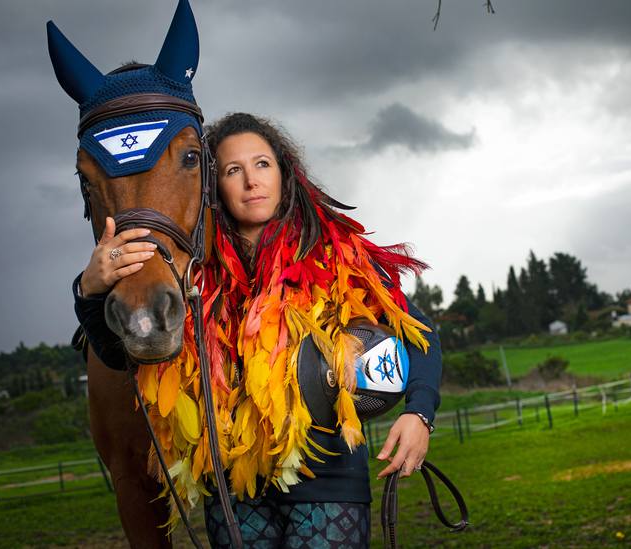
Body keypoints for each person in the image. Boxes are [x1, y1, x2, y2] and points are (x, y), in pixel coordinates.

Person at [74, 112, 442, 548]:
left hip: (327, 488)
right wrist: (89, 292)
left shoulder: (334, 257)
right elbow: (122, 358)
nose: (251, 181)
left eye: (262, 164)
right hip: (233, 496)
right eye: (233, 170)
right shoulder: (193, 280)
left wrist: (419, 414)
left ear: (285, 173)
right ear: (212, 187)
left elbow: (419, 332)